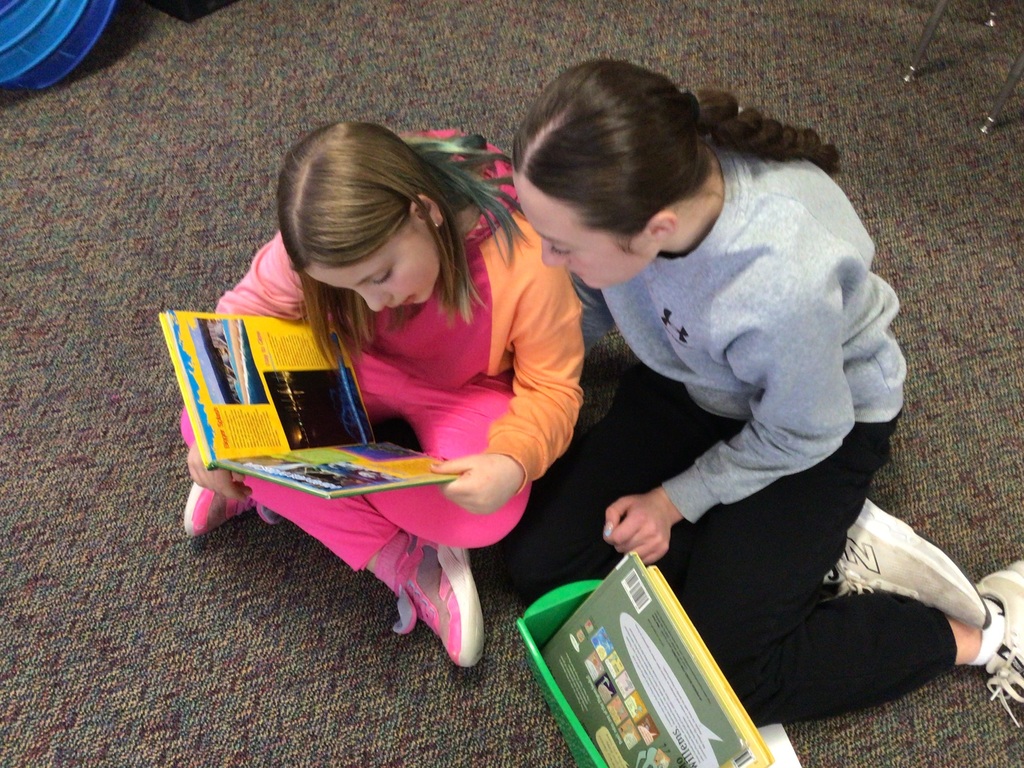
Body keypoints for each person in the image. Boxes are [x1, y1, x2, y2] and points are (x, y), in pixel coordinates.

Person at [502, 59, 1023, 724]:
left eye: (562, 245)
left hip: (817, 428)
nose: (547, 258)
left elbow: (804, 429)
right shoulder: (645, 185)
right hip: (696, 380)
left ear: (656, 227)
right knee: (540, 565)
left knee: (728, 678)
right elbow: (583, 299)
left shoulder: (779, 282)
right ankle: (788, 558)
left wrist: (674, 500)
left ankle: (983, 630)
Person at [180, 123, 584, 668]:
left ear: (427, 211)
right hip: (348, 365)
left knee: (487, 513)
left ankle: (268, 488)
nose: (373, 304)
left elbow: (553, 389)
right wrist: (215, 430)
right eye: (349, 289)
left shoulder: (526, 259)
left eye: (383, 275)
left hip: (460, 391)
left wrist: (513, 460)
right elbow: (237, 322)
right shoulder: (322, 237)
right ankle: (403, 558)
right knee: (199, 420)